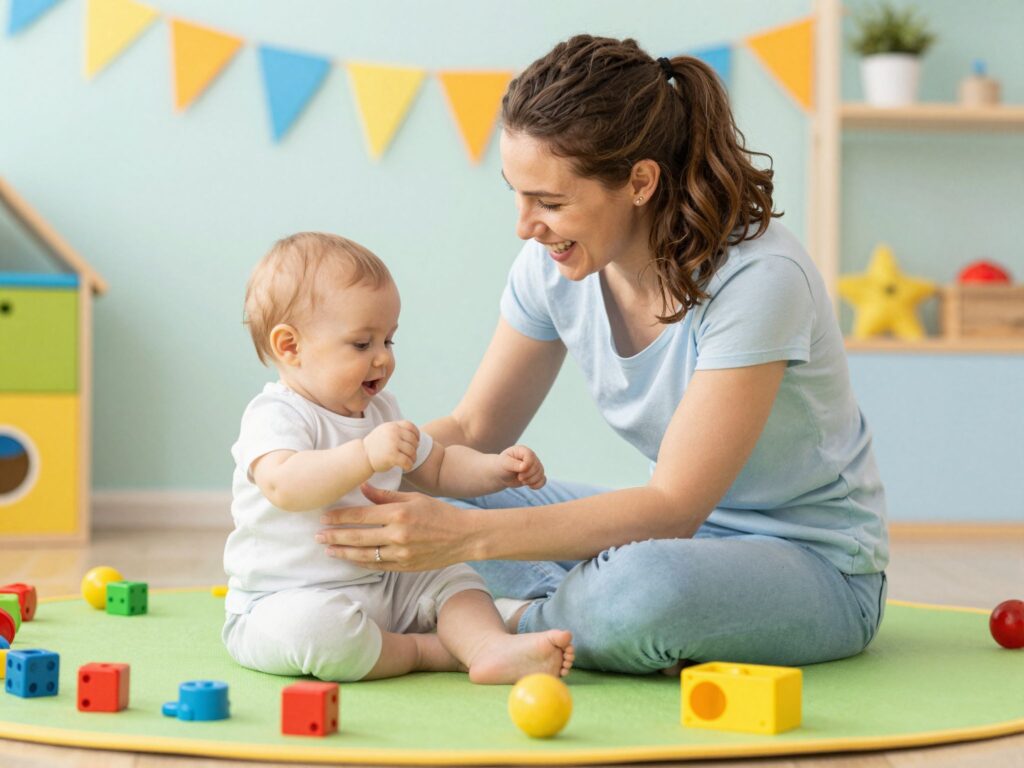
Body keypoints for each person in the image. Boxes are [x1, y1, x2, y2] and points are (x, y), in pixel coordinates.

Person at [316, 35, 889, 674]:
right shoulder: (552, 264)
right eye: (518, 192)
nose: (525, 225)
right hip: (673, 540)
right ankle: (536, 614)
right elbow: (475, 432)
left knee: (642, 589)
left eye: (552, 203)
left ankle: (488, 628)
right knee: (413, 503)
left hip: (814, 568)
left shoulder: (759, 280)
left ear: (640, 181)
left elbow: (673, 507)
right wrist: (341, 469)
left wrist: (463, 540)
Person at [221, 232, 575, 683]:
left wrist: (496, 470)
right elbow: (284, 485)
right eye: (362, 344)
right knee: (318, 632)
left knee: (455, 577)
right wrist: (364, 455)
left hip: (383, 583)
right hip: (285, 598)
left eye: (389, 341)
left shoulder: (381, 412)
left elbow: (439, 466)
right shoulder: (276, 414)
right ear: (290, 346)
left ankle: (487, 646)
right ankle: (432, 650)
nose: (383, 359)